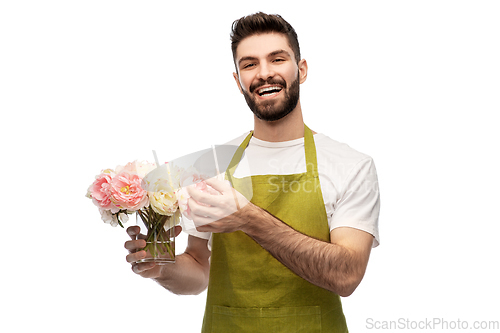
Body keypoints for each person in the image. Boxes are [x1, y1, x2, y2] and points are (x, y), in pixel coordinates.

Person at [125, 12, 380, 332]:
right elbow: (198, 270)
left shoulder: (350, 165)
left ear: (300, 71)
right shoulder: (212, 164)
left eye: (277, 59)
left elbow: (346, 276)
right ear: (238, 81)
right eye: (249, 64)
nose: (264, 73)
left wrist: (247, 217)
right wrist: (162, 267)